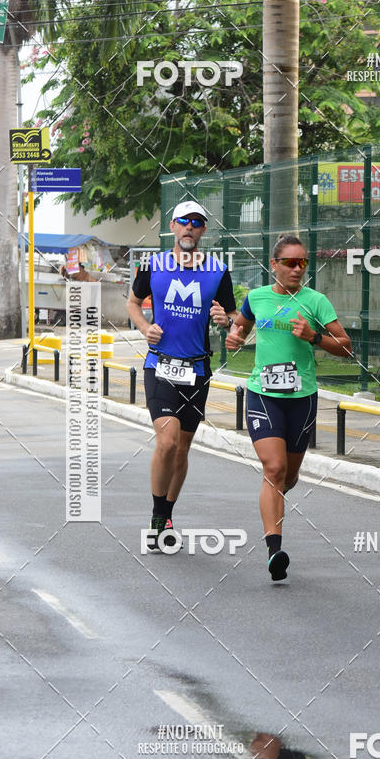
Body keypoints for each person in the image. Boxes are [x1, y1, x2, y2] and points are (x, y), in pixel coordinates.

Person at [225, 234, 352, 581]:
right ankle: (274, 550)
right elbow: (240, 328)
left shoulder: (316, 301)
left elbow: (346, 347)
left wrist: (314, 337)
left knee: (288, 476)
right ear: (274, 265)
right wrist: (234, 337)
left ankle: (275, 498)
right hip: (262, 394)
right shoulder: (256, 298)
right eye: (290, 263)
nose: (297, 269)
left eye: (303, 263)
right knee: (274, 467)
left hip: (302, 397)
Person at [127, 200, 238, 549]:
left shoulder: (218, 271)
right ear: (172, 226)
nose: (190, 227)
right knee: (168, 440)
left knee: (182, 449)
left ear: (204, 230)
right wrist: (145, 327)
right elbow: (132, 302)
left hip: (197, 369)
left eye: (197, 222)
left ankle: (168, 511)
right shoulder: (152, 265)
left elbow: (234, 317)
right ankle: (157, 516)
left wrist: (227, 322)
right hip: (159, 365)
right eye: (183, 221)